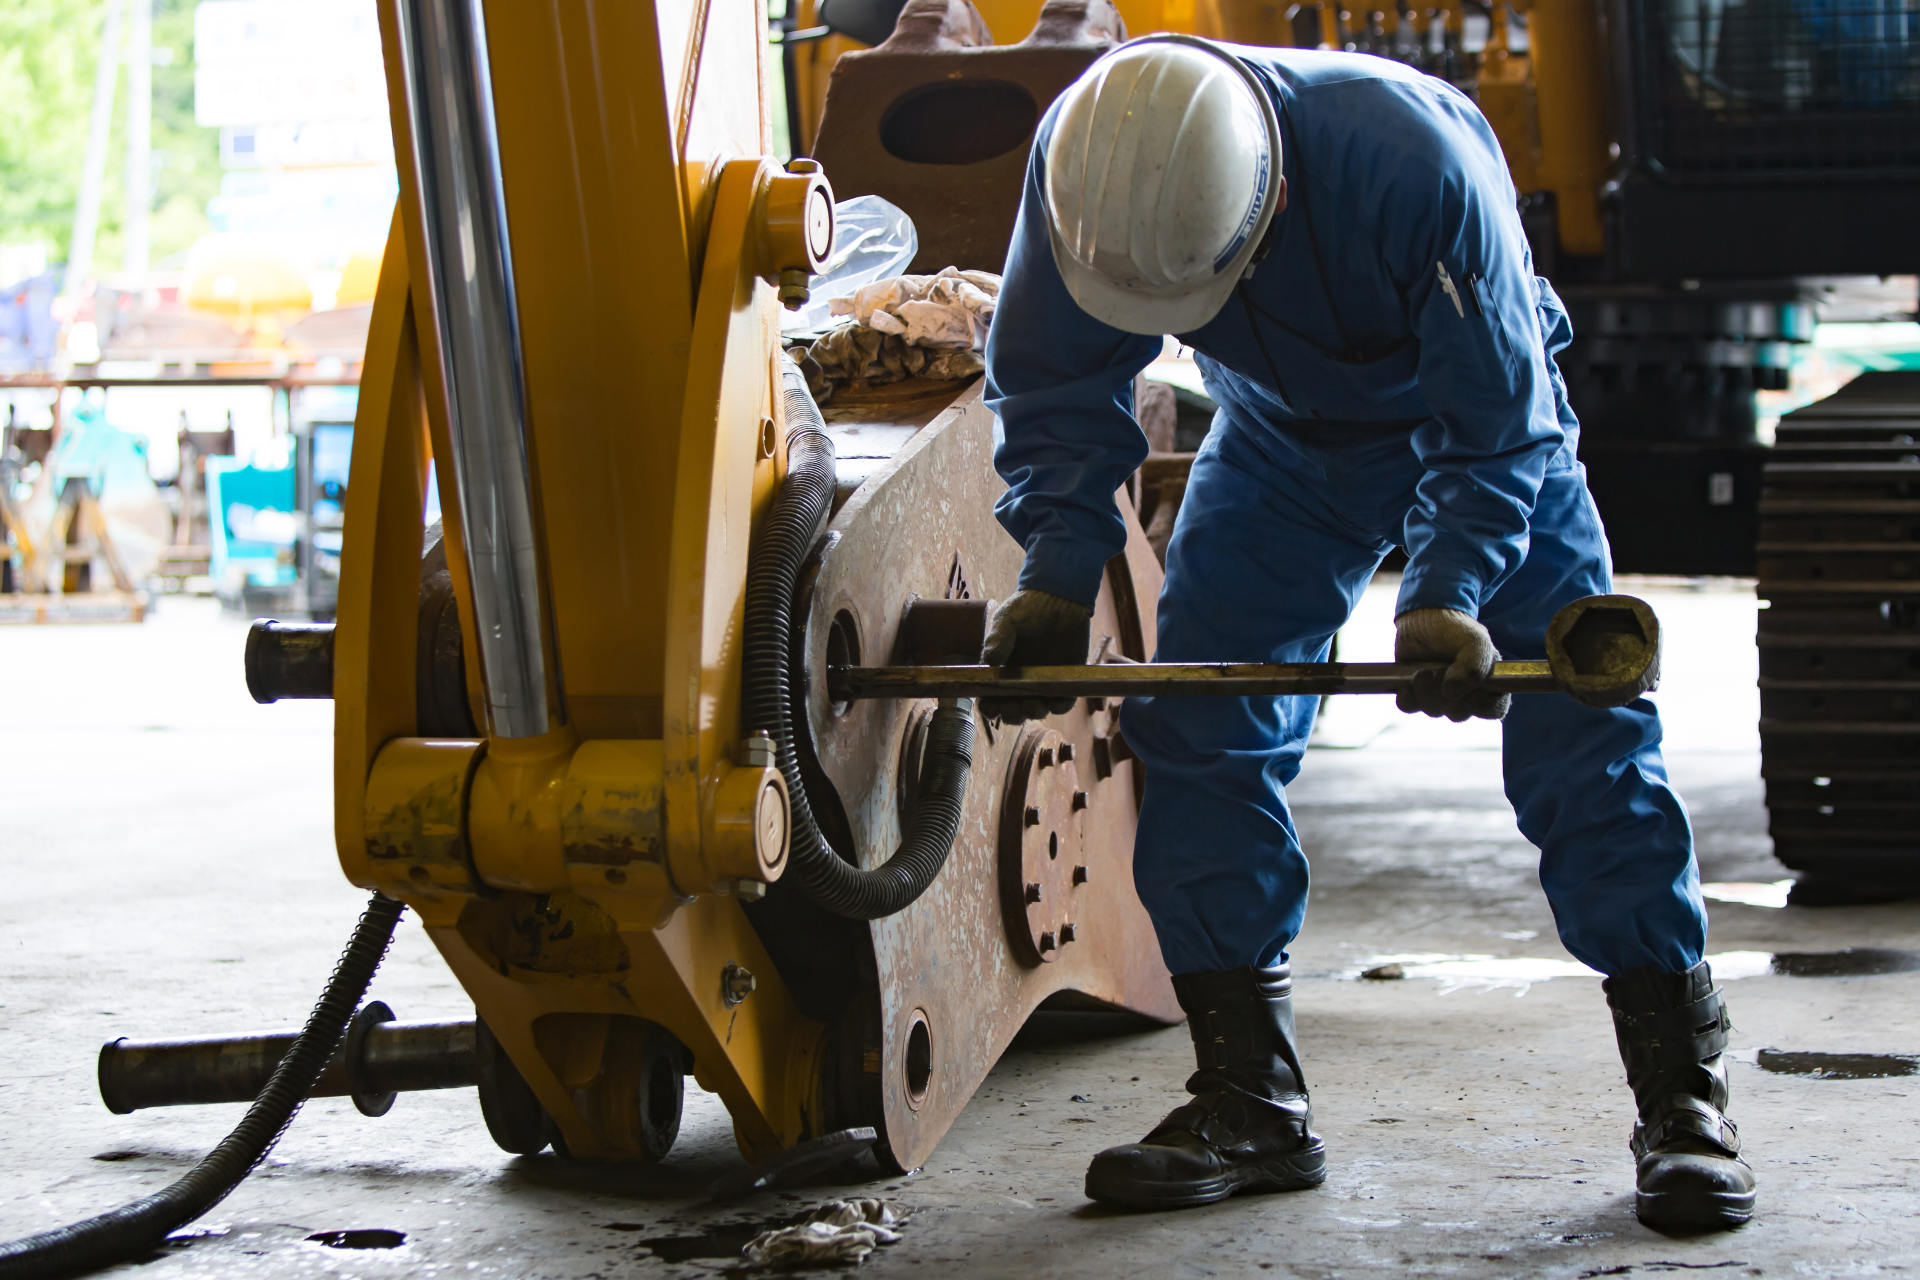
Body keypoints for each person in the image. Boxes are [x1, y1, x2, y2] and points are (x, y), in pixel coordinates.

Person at [979, 35, 1753, 1233]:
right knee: (1197, 724)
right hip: (1282, 442)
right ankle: (1250, 1098)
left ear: (1272, 199)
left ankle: (1685, 1097)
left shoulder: (1414, 160)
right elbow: (1051, 382)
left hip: (1487, 427)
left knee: (1581, 725)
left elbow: (1496, 424)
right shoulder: (1085, 172)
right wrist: (1056, 571)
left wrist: (1446, 590)